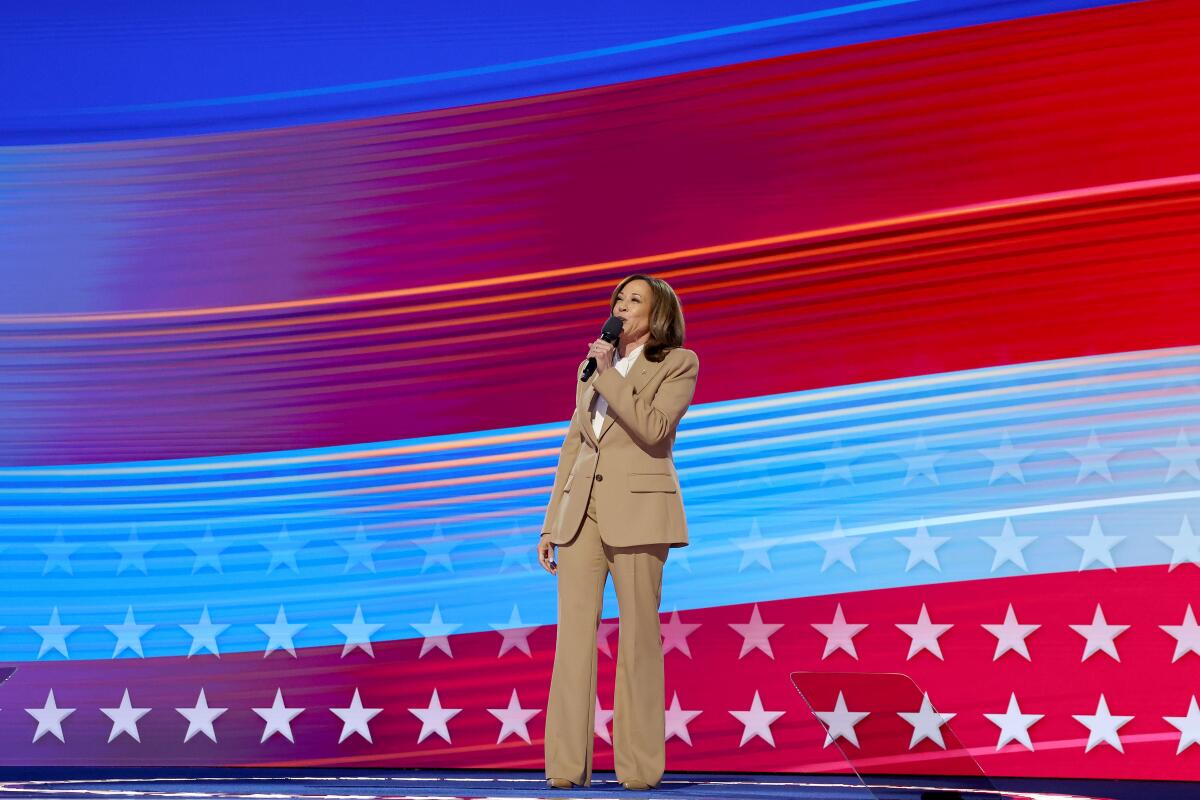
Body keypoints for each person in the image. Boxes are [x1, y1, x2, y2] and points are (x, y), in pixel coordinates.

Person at [536, 273, 699, 791]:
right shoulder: (590, 367)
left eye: (634, 301)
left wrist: (610, 375)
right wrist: (550, 522)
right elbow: (573, 446)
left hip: (640, 512)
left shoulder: (678, 362)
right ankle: (565, 769)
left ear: (658, 314)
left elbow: (653, 429)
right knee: (573, 642)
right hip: (580, 514)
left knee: (638, 641)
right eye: (618, 300)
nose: (622, 307)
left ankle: (639, 768)